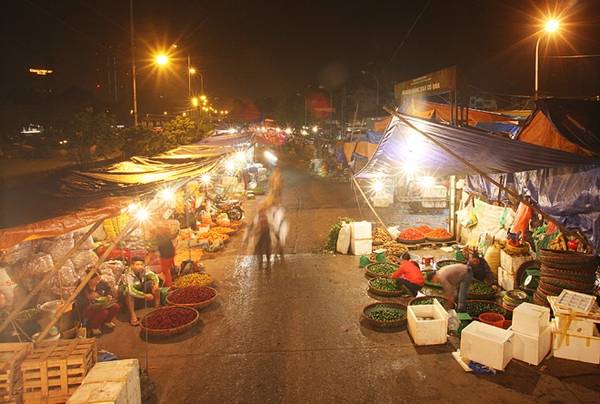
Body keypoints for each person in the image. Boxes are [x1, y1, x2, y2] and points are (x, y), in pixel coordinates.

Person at [432, 252, 497, 311]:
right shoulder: (440, 272)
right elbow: (451, 286)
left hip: (467, 274)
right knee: (458, 290)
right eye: (473, 260)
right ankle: (456, 303)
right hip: (462, 274)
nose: (434, 282)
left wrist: (492, 283)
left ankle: (461, 309)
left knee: (462, 293)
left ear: (434, 277)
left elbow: (449, 291)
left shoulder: (441, 277)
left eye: (476, 261)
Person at [122, 256, 162, 326]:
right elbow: (131, 290)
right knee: (128, 293)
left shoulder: (144, 269)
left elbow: (153, 275)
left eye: (141, 264)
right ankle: (133, 316)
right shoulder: (128, 274)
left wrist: (156, 284)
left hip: (141, 284)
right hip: (130, 289)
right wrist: (144, 295)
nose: (140, 266)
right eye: (137, 264)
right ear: (132, 265)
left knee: (156, 287)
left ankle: (157, 306)